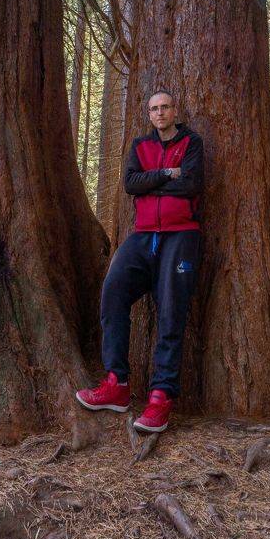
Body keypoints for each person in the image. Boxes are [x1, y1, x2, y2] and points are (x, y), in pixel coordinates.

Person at [76, 88, 203, 433]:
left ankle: (161, 397)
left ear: (175, 111)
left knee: (170, 310)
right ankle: (117, 383)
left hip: (181, 236)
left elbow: (191, 185)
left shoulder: (192, 143)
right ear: (149, 115)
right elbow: (131, 184)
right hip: (143, 235)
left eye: (165, 107)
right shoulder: (140, 147)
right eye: (154, 109)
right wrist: (166, 174)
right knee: (113, 291)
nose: (160, 113)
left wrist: (156, 183)